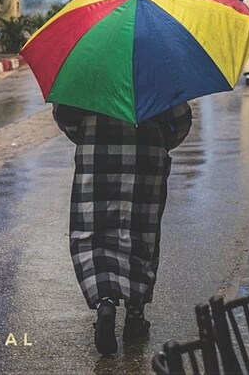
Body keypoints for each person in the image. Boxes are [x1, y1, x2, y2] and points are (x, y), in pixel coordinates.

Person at [53, 102, 192, 356]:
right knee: (140, 233)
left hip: (95, 152)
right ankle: (135, 315)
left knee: (92, 233)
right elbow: (180, 123)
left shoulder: (88, 67)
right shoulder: (157, 67)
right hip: (146, 156)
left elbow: (66, 117)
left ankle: (105, 301)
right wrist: (162, 139)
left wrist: (86, 133)